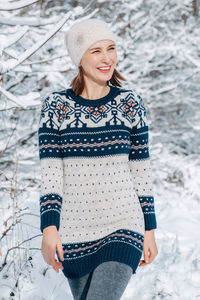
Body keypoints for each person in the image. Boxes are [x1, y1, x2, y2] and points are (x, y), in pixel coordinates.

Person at [38, 18, 158, 300]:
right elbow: (51, 173)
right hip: (74, 230)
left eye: (111, 48)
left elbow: (140, 170)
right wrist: (49, 229)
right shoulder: (56, 106)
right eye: (96, 51)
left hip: (123, 224)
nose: (107, 58)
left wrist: (149, 229)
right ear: (80, 58)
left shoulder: (130, 102)